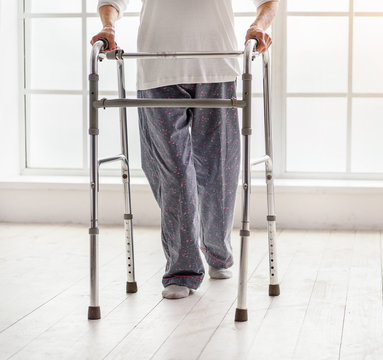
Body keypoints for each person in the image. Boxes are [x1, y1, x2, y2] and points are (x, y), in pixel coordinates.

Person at [90, 0, 279, 299]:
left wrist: (259, 26)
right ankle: (183, 267)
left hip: (217, 66)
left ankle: (216, 248)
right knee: (173, 170)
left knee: (220, 169)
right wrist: (108, 26)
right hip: (156, 67)